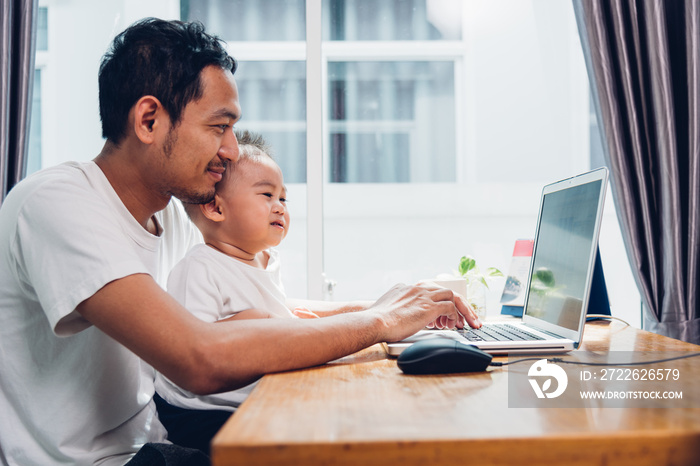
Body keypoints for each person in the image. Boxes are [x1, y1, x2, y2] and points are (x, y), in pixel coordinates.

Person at [0, 18, 480, 466]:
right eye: (218, 126)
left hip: (155, 443)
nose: (231, 150)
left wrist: (394, 308)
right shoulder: (57, 204)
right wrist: (380, 321)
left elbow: (259, 307)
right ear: (149, 120)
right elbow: (199, 357)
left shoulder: (169, 213)